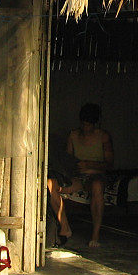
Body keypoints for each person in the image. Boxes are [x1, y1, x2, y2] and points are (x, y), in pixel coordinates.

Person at [47, 103, 114, 248]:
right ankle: (65, 228)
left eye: (89, 125)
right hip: (77, 176)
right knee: (50, 183)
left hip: (96, 176)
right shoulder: (73, 135)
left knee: (97, 186)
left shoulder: (103, 136)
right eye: (83, 124)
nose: (85, 128)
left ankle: (95, 236)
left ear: (95, 124)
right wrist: (73, 168)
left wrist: (89, 164)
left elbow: (109, 164)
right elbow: (68, 160)